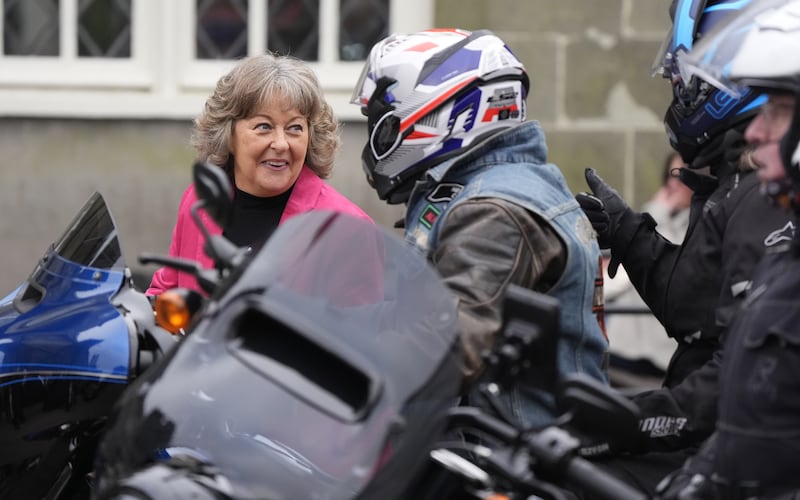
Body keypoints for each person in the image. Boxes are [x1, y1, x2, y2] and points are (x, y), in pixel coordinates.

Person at [572, 0, 796, 495]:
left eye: (687, 74)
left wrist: (632, 422)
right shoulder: (730, 179)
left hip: (723, 452)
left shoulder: (762, 191)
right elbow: (699, 311)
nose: (677, 88)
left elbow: (739, 376)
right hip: (712, 443)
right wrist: (629, 234)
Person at [350, 28, 608, 429]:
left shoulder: (493, 210)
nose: (374, 139)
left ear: (438, 112)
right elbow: (418, 314)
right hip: (508, 444)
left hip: (508, 456)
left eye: (381, 122)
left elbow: (446, 351)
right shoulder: (504, 182)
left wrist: (323, 361)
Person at [653, 1, 800, 497]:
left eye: (778, 111)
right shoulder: (787, 258)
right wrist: (702, 477)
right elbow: (748, 401)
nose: (756, 132)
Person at [147, 53, 372, 295]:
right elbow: (166, 291)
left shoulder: (348, 229)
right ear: (227, 134)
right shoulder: (201, 201)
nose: (281, 143)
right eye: (264, 126)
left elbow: (361, 327)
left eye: (294, 128)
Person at [604, 151, 690, 387]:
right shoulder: (666, 215)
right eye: (671, 176)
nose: (674, 184)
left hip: (656, 353)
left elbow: (665, 253)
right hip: (625, 344)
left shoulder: (697, 218)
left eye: (681, 175)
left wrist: (656, 210)